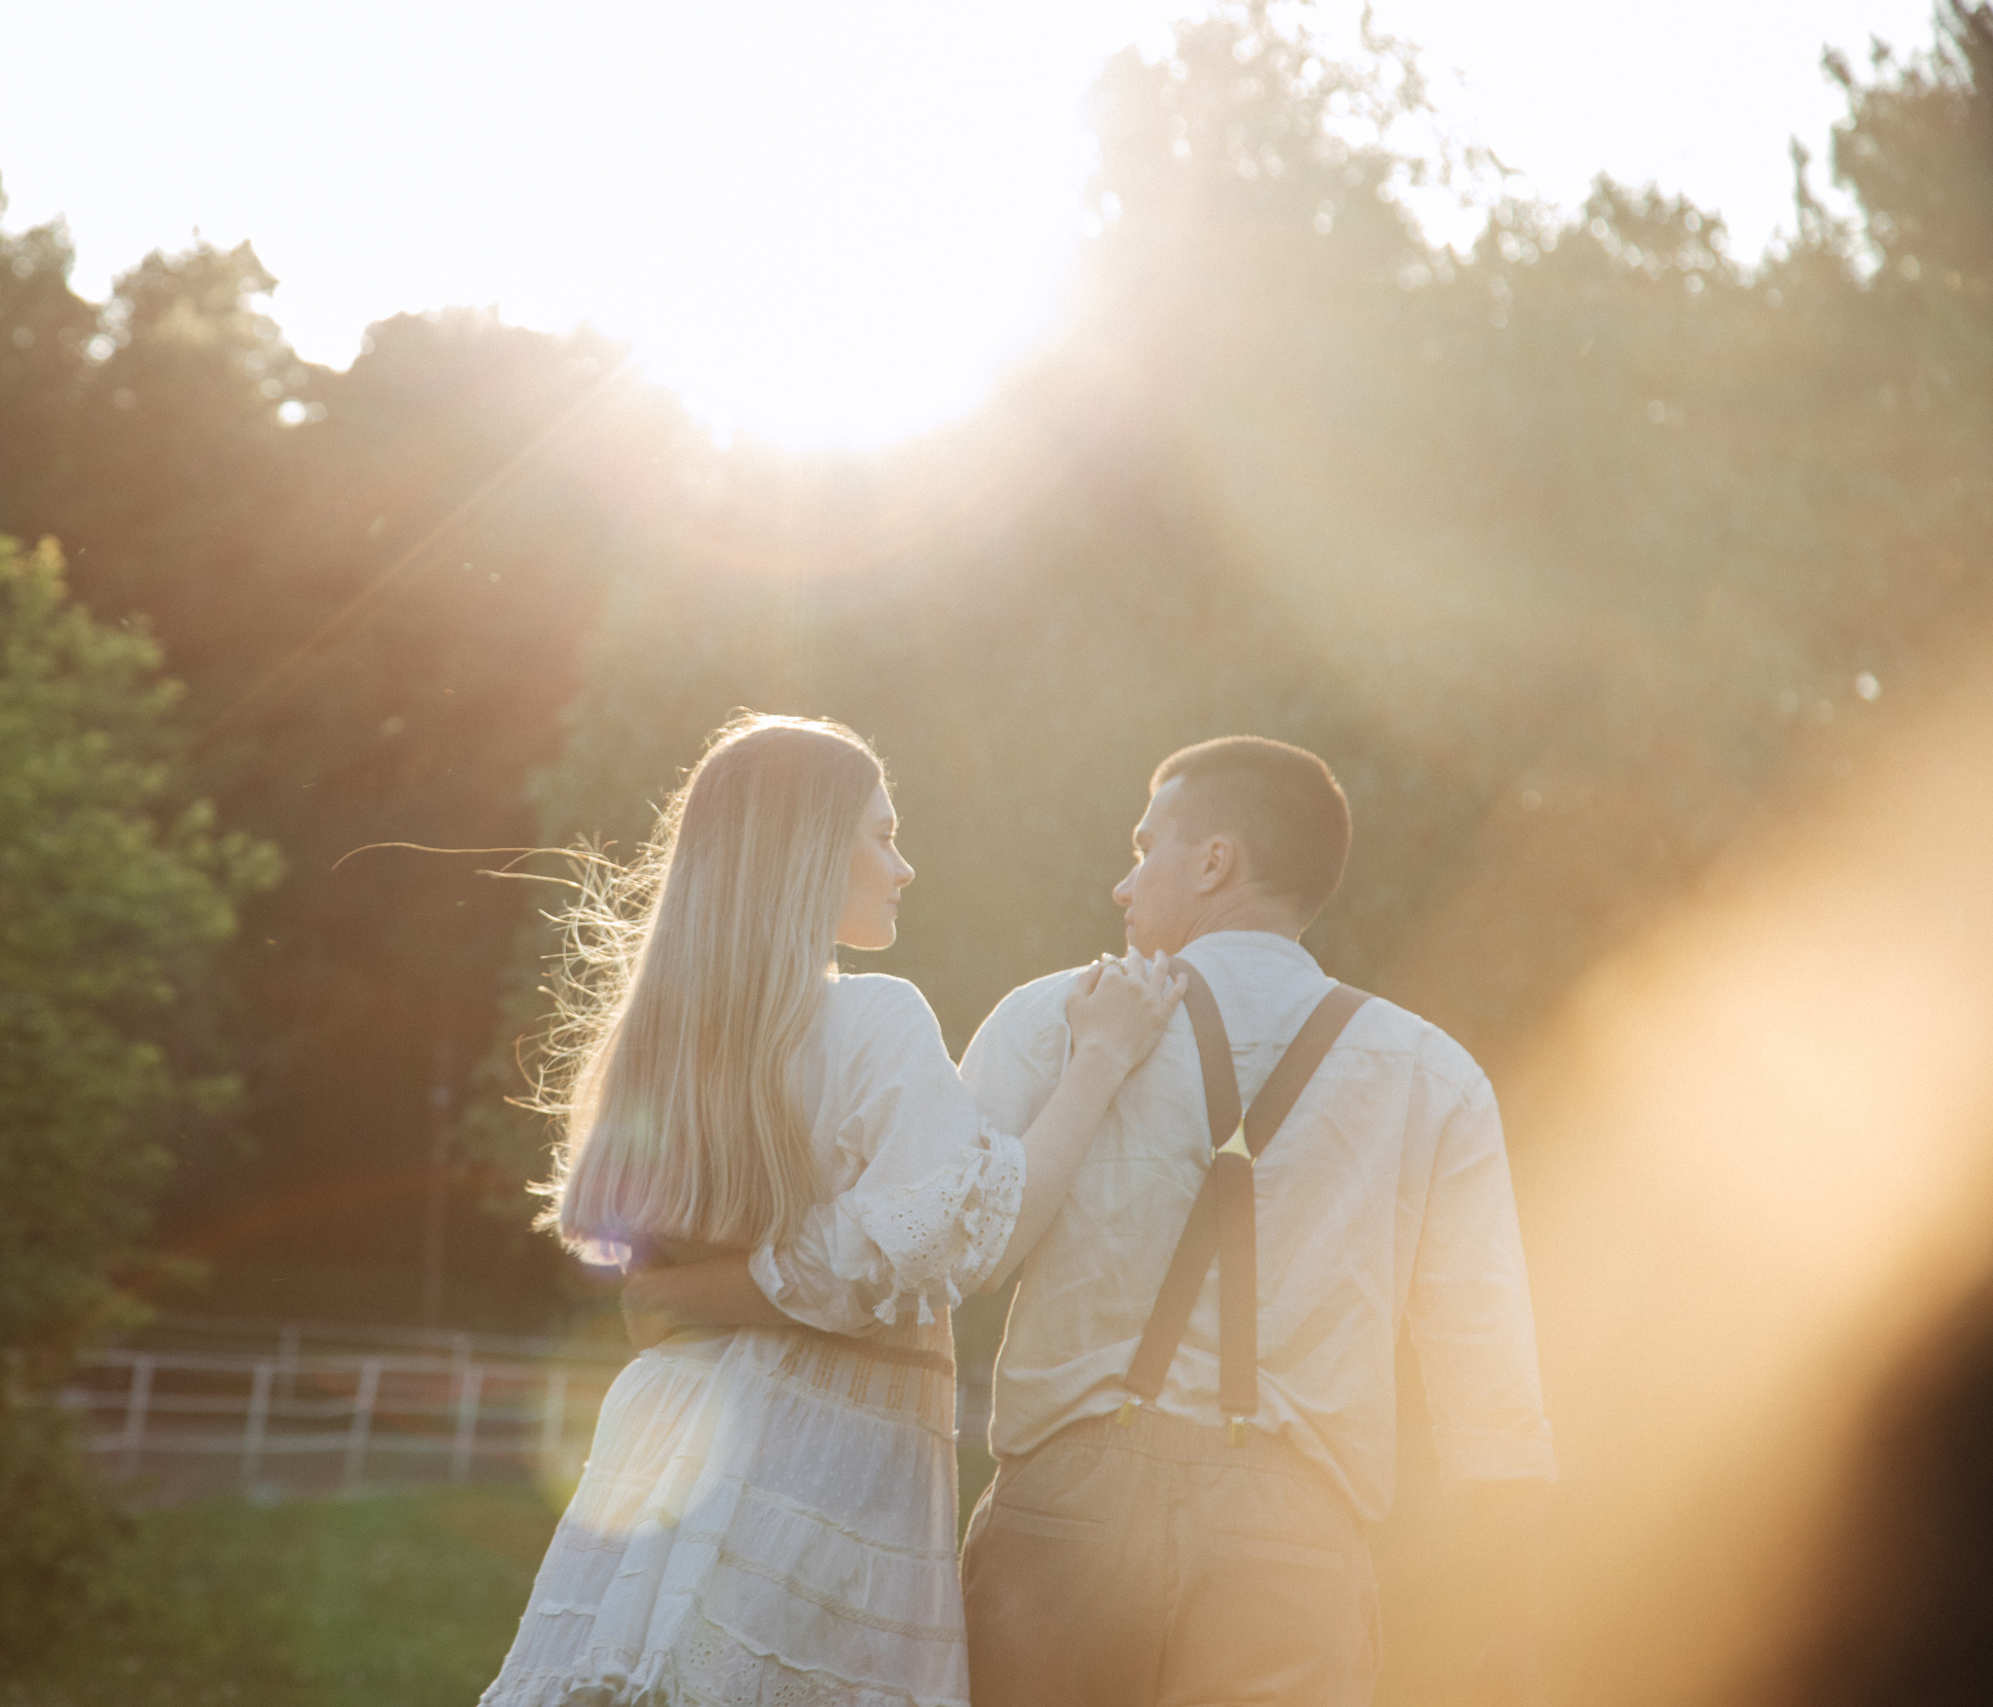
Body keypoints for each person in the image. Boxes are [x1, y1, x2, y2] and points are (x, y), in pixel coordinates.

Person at [635, 735, 1557, 1707]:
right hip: (1292, 1546)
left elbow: (934, 1252)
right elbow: (1488, 1384)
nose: (1123, 887)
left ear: (1214, 863)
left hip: (1062, 1536)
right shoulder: (1433, 1074)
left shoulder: (1049, 1019)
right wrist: (1510, 1627)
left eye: (1145, 846)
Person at [479, 712, 1185, 1707]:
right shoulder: (873, 1015)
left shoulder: (664, 1043)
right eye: (882, 836)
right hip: (815, 1462)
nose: (903, 867)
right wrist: (1102, 1059)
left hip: (667, 1450)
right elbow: (953, 1242)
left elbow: (656, 1290)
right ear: (810, 851)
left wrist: (702, 1293)